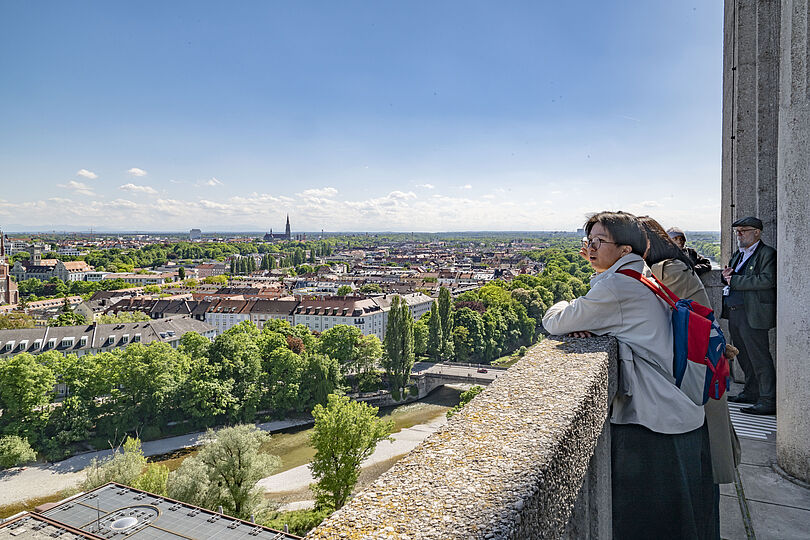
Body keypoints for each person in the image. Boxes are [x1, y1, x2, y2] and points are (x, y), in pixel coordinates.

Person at [542, 211, 710, 540]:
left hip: (655, 424)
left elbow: (556, 322)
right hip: (676, 413)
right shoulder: (639, 274)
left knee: (647, 527)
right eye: (588, 240)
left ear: (624, 250)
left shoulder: (618, 286)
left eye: (599, 241)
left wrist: (563, 304)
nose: (590, 248)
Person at [640, 216, 740, 540]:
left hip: (698, 374)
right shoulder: (670, 266)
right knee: (701, 478)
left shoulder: (667, 271)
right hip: (701, 371)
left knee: (702, 474)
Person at [721, 216, 777, 416]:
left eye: (743, 231)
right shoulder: (739, 254)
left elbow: (767, 280)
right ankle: (751, 392)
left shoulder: (767, 254)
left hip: (753, 314)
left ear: (757, 232)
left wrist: (734, 281)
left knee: (759, 357)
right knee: (743, 356)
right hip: (735, 312)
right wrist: (726, 277)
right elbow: (730, 277)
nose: (739, 234)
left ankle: (768, 399)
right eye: (737, 231)